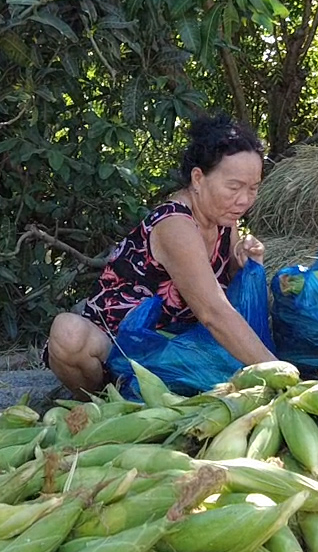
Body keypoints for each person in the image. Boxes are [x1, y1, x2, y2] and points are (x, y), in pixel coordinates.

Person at [45, 114, 274, 395]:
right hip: (124, 346)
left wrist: (244, 265)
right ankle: (107, 397)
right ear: (198, 178)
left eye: (253, 188)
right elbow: (213, 311)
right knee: (68, 333)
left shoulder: (224, 218)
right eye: (234, 187)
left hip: (182, 342)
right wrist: (278, 372)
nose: (244, 200)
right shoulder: (175, 225)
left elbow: (226, 288)